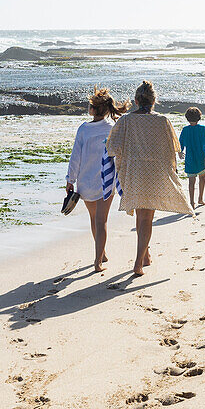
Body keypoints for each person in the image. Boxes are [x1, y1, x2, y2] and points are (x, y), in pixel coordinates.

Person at [106, 81, 193, 276]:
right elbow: (172, 149)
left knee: (141, 216)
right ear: (154, 101)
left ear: (136, 101)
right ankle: (140, 261)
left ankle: (143, 256)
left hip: (135, 171)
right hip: (154, 171)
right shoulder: (162, 121)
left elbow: (112, 147)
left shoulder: (126, 121)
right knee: (147, 217)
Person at [66, 87, 129, 272]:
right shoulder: (112, 128)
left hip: (85, 183)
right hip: (106, 180)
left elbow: (75, 157)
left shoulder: (84, 129)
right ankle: (98, 260)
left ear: (92, 109)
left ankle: (101, 254)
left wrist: (70, 179)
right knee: (101, 221)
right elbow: (120, 154)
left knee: (94, 219)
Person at [178, 107, 205, 207]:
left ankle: (192, 202)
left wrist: (180, 153)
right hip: (201, 158)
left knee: (191, 182)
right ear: (199, 117)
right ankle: (200, 199)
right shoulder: (203, 129)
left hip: (190, 159)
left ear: (187, 118)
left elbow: (180, 144)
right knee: (202, 178)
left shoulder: (185, 130)